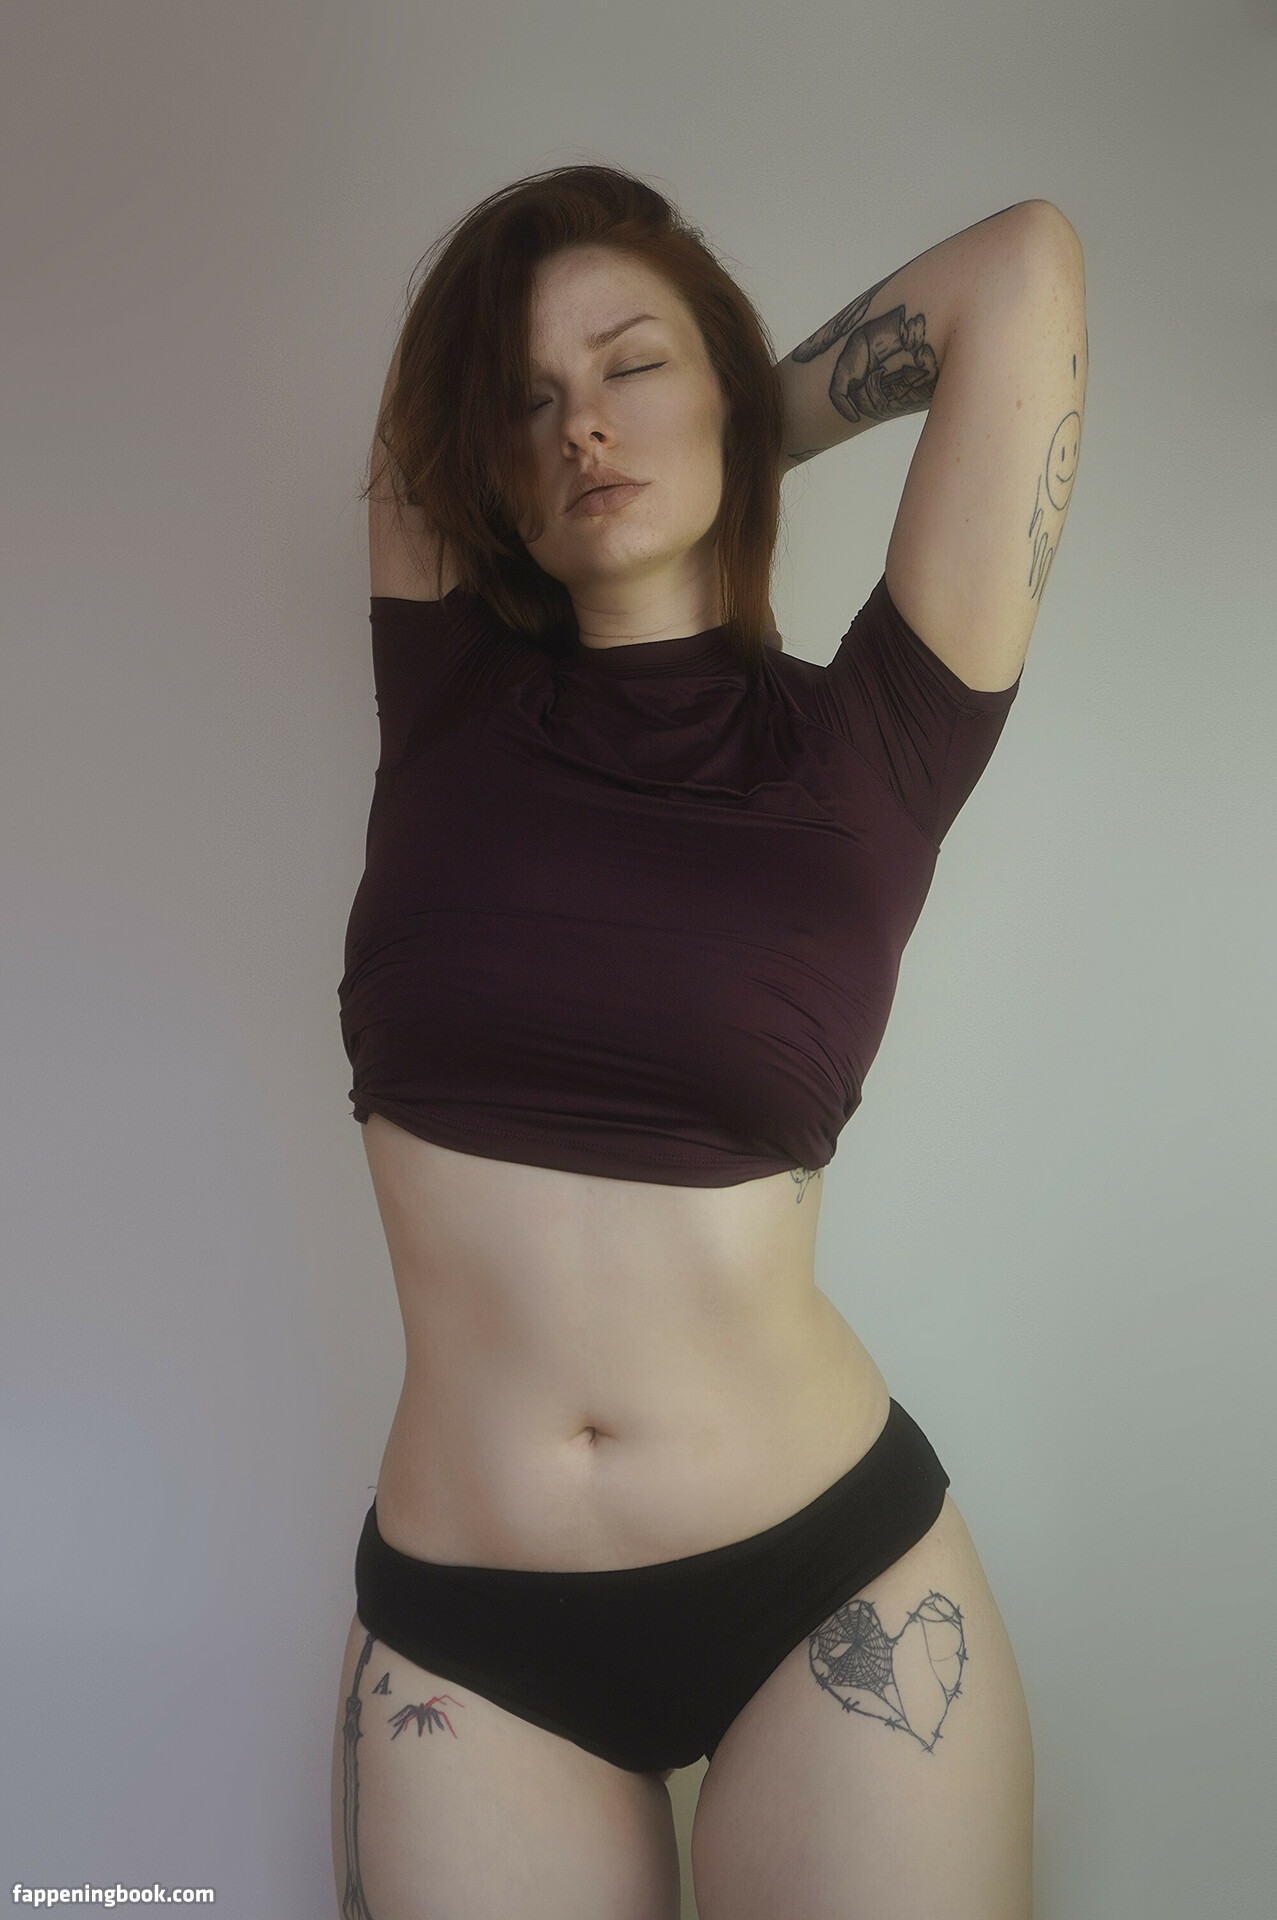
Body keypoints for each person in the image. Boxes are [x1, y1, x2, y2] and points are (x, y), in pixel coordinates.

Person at [329, 163, 1086, 1919]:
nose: (581, 424)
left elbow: (1020, 269)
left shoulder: (876, 742)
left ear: (723, 387)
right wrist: (651, 421)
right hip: (467, 1620)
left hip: (826, 1580)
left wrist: (738, 426)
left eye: (630, 366)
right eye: (534, 402)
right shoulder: (444, 695)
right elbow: (420, 423)